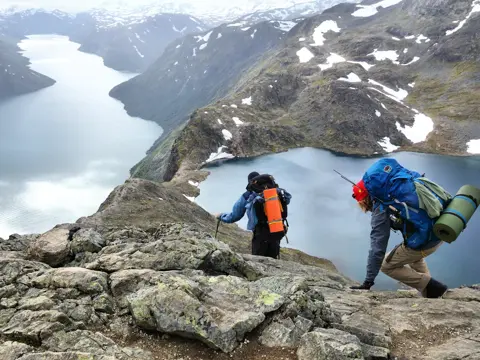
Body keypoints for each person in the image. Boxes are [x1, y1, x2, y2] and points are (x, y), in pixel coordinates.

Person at [350, 159, 448, 298]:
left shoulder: (382, 207)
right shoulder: (395, 190)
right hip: (440, 229)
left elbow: (377, 247)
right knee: (413, 256)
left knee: (386, 265)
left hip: (426, 240)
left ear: (365, 199)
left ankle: (431, 287)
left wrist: (368, 281)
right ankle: (431, 292)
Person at [215, 171, 291, 259]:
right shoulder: (275, 192)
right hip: (277, 229)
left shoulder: (248, 195)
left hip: (261, 233)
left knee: (258, 261)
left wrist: (221, 216)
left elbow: (235, 216)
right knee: (273, 259)